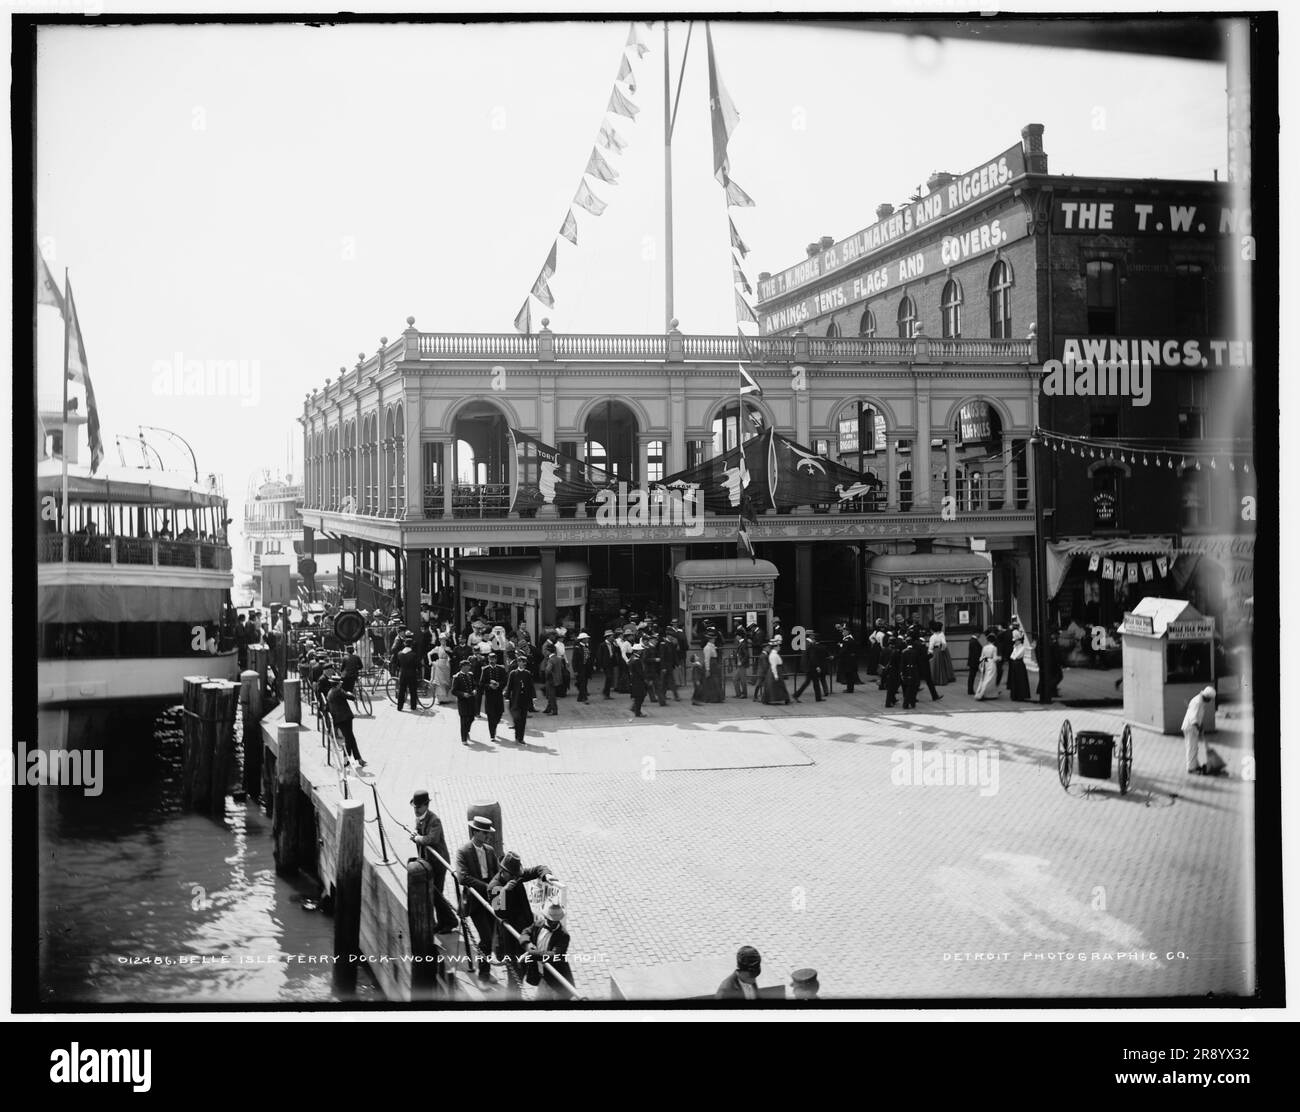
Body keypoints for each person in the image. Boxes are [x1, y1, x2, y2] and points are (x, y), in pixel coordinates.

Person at [488, 850, 552, 995]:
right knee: (515, 977)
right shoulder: (494, 886)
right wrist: (504, 891)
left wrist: (546, 874)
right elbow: (498, 912)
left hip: (526, 935)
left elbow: (538, 869)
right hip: (511, 940)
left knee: (526, 969)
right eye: (515, 876)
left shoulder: (516, 876)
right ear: (505, 872)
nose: (518, 878)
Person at [455, 816, 501, 980]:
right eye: (484, 833)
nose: (488, 836)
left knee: (490, 937)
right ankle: (483, 974)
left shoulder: (489, 850)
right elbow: (462, 878)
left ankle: (486, 971)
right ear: (475, 832)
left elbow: (497, 873)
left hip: (491, 901)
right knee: (486, 938)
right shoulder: (463, 851)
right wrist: (486, 886)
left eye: (488, 833)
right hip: (475, 901)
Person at [409, 789, 459, 933]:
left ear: (426, 805)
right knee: (433, 894)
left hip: (438, 863)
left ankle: (450, 921)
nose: (416, 810)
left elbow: (431, 839)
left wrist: (417, 838)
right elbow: (419, 836)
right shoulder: (419, 818)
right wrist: (416, 836)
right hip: (427, 861)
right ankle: (443, 922)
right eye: (415, 807)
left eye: (418, 807)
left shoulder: (434, 820)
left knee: (436, 893)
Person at [523, 901, 574, 1000]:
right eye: (551, 920)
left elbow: (553, 955)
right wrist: (527, 944)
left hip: (556, 980)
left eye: (556, 920)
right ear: (545, 917)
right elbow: (525, 932)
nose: (554, 923)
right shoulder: (538, 924)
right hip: (542, 975)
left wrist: (531, 953)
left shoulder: (564, 935)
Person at [325, 673, 365, 767]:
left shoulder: (330, 692)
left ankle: (358, 758)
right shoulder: (338, 691)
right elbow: (351, 697)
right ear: (338, 684)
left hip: (338, 719)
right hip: (345, 718)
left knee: (350, 737)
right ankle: (347, 760)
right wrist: (351, 694)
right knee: (349, 738)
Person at [1182, 685, 1216, 774]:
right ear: (1207, 697)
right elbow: (1193, 719)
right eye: (1210, 699)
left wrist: (1201, 725)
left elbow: (1198, 716)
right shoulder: (1197, 702)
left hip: (1193, 728)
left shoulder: (1200, 701)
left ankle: (1195, 766)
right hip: (1190, 728)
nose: (1209, 701)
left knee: (1194, 748)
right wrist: (1199, 727)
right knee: (1192, 748)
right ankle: (1191, 769)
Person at [504, 652, 536, 744]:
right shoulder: (513, 673)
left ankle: (520, 738)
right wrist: (507, 697)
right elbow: (509, 686)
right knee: (517, 718)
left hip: (525, 699)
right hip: (515, 699)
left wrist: (533, 697)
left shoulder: (527, 673)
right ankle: (517, 735)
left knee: (523, 719)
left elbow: (531, 686)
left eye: (525, 662)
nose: (524, 663)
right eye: (522, 662)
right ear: (518, 663)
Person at [481, 649, 509, 742]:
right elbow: (481, 683)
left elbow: (505, 681)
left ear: (496, 659)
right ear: (488, 659)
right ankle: (492, 734)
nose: (492, 660)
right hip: (489, 696)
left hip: (498, 695)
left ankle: (495, 725)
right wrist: (489, 686)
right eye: (490, 658)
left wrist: (498, 685)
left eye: (493, 658)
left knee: (499, 714)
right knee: (490, 715)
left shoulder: (501, 669)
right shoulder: (485, 670)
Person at [391, 632, 423, 712]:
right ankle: (413, 706)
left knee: (402, 690)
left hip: (402, 673)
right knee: (413, 691)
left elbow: (397, 664)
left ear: (405, 645)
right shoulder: (413, 654)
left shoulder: (400, 654)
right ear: (411, 645)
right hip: (412, 674)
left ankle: (400, 707)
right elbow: (418, 665)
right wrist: (419, 673)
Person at [794, 632, 828, 703]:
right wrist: (817, 666)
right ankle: (797, 695)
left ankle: (817, 697)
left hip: (807, 665)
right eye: (813, 635)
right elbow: (812, 657)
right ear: (810, 636)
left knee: (812, 681)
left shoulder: (805, 643)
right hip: (811, 666)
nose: (814, 636)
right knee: (811, 682)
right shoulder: (810, 644)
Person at [450, 657, 478, 745]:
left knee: (471, 718)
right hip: (463, 702)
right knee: (464, 720)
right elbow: (453, 691)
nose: (468, 668)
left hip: (471, 700)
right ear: (462, 667)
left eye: (469, 666)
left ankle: (467, 731)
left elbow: (474, 685)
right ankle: (464, 738)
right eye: (466, 666)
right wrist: (462, 694)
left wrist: (474, 690)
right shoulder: (457, 677)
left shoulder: (470, 675)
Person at [915, 629, 942, 702]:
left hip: (918, 665)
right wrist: (930, 655)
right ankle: (934, 696)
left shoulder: (917, 643)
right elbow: (923, 656)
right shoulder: (921, 644)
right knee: (929, 682)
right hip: (924, 665)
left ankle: (913, 697)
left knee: (917, 682)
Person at [763, 637, 792, 705]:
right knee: (777, 685)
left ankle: (784, 698)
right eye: (778, 646)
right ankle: (784, 698)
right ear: (775, 647)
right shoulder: (773, 655)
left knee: (775, 685)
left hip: (777, 670)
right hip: (776, 671)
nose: (779, 647)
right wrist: (775, 675)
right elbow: (773, 666)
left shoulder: (774, 654)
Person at [973, 631, 1000, 700]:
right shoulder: (994, 648)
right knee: (990, 679)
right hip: (991, 663)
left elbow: (981, 657)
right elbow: (994, 658)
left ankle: (981, 692)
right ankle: (987, 694)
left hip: (985, 662)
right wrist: (999, 658)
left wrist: (981, 665)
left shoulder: (984, 647)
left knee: (983, 678)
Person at [1007, 630, 1032, 702]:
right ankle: (1015, 695)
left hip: (1019, 664)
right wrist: (1014, 650)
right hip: (1015, 664)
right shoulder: (1015, 647)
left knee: (1020, 680)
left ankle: (1021, 695)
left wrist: (1015, 652)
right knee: (1014, 680)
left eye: (1016, 641)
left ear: (1019, 641)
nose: (1015, 642)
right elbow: (1011, 656)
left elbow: (1016, 656)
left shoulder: (1022, 647)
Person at [597, 630, 622, 700]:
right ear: (607, 637)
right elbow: (599, 656)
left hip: (611, 663)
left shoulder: (613, 644)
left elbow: (618, 651)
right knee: (609, 677)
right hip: (605, 664)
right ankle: (605, 692)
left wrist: (616, 644)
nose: (613, 638)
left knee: (610, 678)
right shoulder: (602, 645)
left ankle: (606, 693)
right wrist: (600, 666)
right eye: (612, 636)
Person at [929, 621, 956, 686]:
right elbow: (944, 643)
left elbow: (931, 646)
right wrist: (943, 649)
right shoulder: (942, 634)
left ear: (932, 630)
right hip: (941, 650)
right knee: (943, 665)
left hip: (935, 650)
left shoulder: (933, 637)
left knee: (935, 665)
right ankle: (945, 678)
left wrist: (930, 652)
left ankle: (935, 679)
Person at [898, 636, 920, 709]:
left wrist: (901, 672)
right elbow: (918, 663)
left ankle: (906, 703)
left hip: (906, 671)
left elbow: (902, 663)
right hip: (914, 671)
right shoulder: (915, 651)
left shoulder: (904, 651)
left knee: (907, 687)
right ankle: (911, 702)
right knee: (913, 688)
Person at [541, 643, 564, 716]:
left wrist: (546, 676)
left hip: (551, 679)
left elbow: (547, 670)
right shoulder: (558, 658)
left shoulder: (550, 660)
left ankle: (554, 710)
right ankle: (548, 708)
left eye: (546, 650)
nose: (545, 652)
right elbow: (562, 668)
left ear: (549, 651)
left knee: (551, 695)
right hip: (557, 679)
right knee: (550, 694)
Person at [429, 636, 453, 704]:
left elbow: (450, 655)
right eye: (442, 640)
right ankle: (440, 698)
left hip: (446, 665)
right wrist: (430, 661)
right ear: (440, 641)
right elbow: (429, 653)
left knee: (446, 680)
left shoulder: (448, 648)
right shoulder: (437, 648)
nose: (443, 641)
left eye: (444, 640)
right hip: (439, 664)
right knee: (439, 681)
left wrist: (449, 659)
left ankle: (446, 697)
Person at [659, 628, 681, 702]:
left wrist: (677, 664)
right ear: (668, 636)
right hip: (665, 666)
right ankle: (673, 696)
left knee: (667, 682)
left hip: (670, 666)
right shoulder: (663, 644)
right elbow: (662, 657)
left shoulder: (671, 644)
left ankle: (665, 696)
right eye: (671, 636)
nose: (672, 637)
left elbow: (674, 655)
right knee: (667, 682)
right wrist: (663, 667)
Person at [837, 627, 860, 694]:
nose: (842, 633)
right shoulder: (849, 639)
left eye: (844, 632)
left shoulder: (847, 639)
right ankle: (849, 688)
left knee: (849, 675)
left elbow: (844, 650)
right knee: (849, 675)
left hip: (848, 660)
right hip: (851, 659)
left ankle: (850, 689)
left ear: (847, 632)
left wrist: (836, 656)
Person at [628, 645, 649, 717]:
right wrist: (645, 679)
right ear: (638, 651)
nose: (642, 651)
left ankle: (635, 708)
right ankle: (638, 712)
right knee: (640, 697)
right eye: (641, 650)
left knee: (638, 696)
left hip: (634, 681)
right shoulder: (636, 661)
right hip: (638, 681)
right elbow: (640, 672)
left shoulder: (632, 658)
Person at [880, 635, 900, 707]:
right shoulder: (896, 651)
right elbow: (898, 663)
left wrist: (883, 667)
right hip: (893, 671)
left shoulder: (884, 650)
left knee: (890, 686)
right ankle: (888, 703)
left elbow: (881, 660)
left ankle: (893, 699)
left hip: (886, 670)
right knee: (893, 687)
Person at [572, 632, 591, 703]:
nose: (587, 640)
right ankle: (584, 697)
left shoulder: (587, 646)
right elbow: (574, 660)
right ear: (582, 639)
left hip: (586, 667)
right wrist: (575, 670)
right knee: (582, 683)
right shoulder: (577, 648)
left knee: (585, 682)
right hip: (580, 668)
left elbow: (589, 657)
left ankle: (580, 697)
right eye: (586, 638)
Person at [967, 630, 983, 696]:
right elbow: (976, 653)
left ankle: (970, 690)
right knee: (972, 676)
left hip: (973, 661)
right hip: (974, 662)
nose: (980, 635)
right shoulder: (974, 641)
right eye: (979, 634)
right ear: (976, 633)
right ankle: (970, 690)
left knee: (972, 676)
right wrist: (979, 661)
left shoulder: (972, 640)